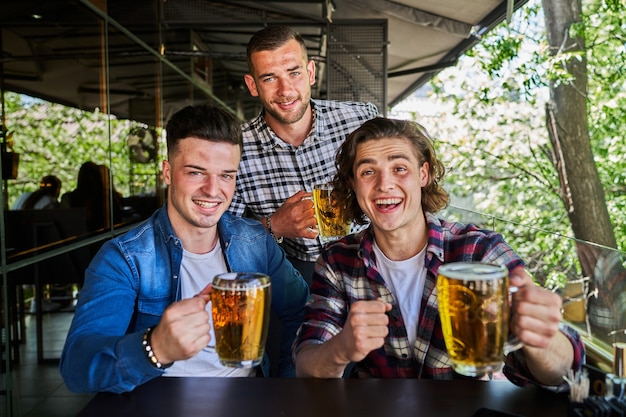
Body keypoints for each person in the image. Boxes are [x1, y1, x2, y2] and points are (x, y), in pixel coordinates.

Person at [294, 118, 585, 388]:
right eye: (368, 172)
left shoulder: (478, 251)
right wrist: (342, 347)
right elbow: (307, 367)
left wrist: (538, 337)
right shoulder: (337, 261)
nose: (384, 184)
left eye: (399, 169)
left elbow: (565, 373)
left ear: (423, 174)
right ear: (354, 185)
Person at [60, 105, 309, 394]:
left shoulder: (254, 241)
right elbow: (77, 367)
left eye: (226, 175)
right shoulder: (125, 258)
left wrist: (288, 386)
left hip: (247, 398)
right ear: (167, 172)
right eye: (196, 172)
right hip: (160, 403)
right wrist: (155, 348)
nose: (213, 190)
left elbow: (303, 311)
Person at [228, 25, 379, 284]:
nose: (285, 90)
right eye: (269, 78)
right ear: (253, 86)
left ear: (310, 72)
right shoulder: (235, 148)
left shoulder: (360, 120)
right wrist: (274, 225)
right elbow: (218, 234)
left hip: (371, 258)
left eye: (294, 72)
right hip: (294, 273)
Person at [60, 161, 123, 231]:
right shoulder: (71, 198)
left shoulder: (108, 197)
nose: (90, 179)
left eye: (93, 175)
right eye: (87, 176)